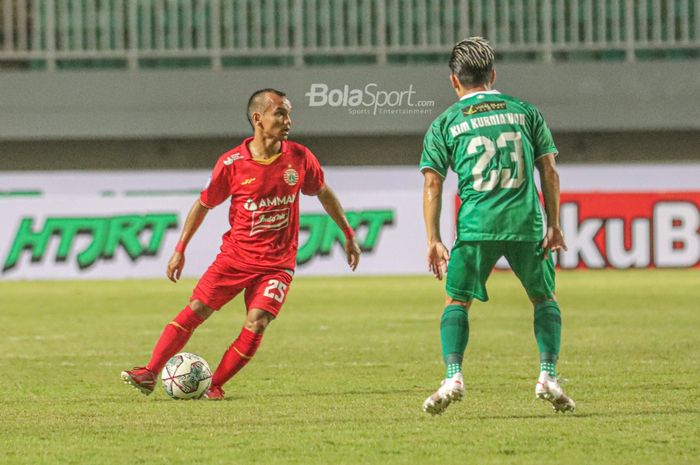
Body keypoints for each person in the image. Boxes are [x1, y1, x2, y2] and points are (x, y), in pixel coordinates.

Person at [121, 88, 361, 400]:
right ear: (258, 118)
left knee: (257, 322)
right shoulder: (232, 163)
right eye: (280, 113)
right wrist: (180, 249)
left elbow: (323, 192)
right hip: (235, 258)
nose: (288, 120)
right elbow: (203, 204)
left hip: (277, 264)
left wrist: (349, 234)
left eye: (289, 113)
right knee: (196, 309)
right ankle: (150, 372)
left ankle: (214, 385)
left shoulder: (300, 157)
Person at [419, 37, 575, 415]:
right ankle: (548, 374)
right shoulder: (525, 112)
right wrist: (554, 224)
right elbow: (549, 170)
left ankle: (454, 375)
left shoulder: (446, 123)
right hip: (525, 224)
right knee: (544, 298)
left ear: (453, 81)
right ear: (493, 75)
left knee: (457, 300)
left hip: (475, 227)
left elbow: (432, 182)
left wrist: (434, 239)